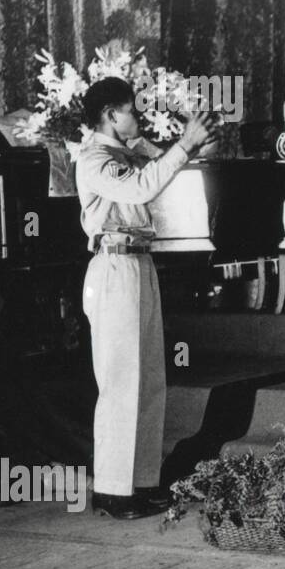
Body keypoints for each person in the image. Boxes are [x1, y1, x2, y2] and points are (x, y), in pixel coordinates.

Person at [77, 77, 216, 519]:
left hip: (139, 263)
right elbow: (141, 188)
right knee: (120, 380)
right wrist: (182, 146)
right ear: (109, 115)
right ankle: (113, 490)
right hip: (113, 266)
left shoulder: (125, 151)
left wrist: (186, 142)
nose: (136, 116)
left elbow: (175, 164)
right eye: (129, 111)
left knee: (149, 379)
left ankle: (141, 481)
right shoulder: (95, 158)